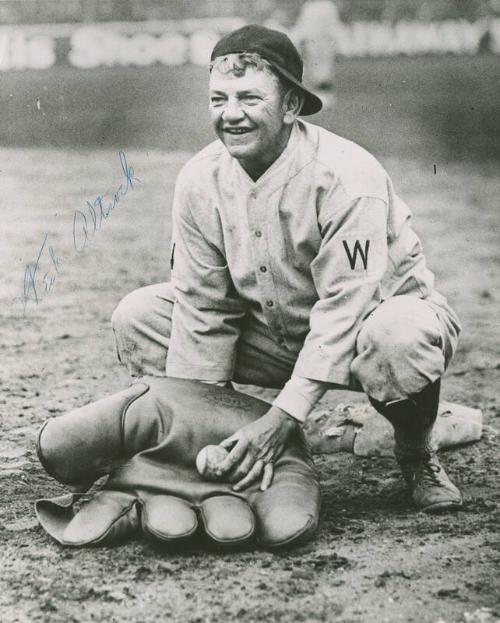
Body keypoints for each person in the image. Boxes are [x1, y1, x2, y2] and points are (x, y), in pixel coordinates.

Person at [111, 25, 463, 513]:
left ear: (291, 106)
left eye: (250, 98)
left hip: (369, 330)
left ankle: (416, 450)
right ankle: (245, 449)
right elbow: (203, 307)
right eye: (219, 99)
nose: (230, 115)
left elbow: (346, 309)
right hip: (274, 336)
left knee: (397, 335)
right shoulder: (198, 178)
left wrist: (282, 420)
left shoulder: (345, 175)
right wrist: (198, 438)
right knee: (141, 315)